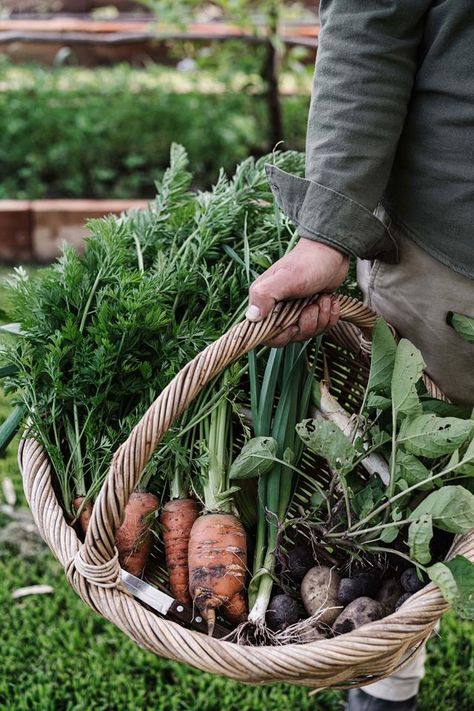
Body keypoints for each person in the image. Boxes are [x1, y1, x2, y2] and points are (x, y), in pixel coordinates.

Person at [245, 1, 474, 709]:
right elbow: (373, 20)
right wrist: (327, 232)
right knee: (398, 482)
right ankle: (385, 679)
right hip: (448, 247)